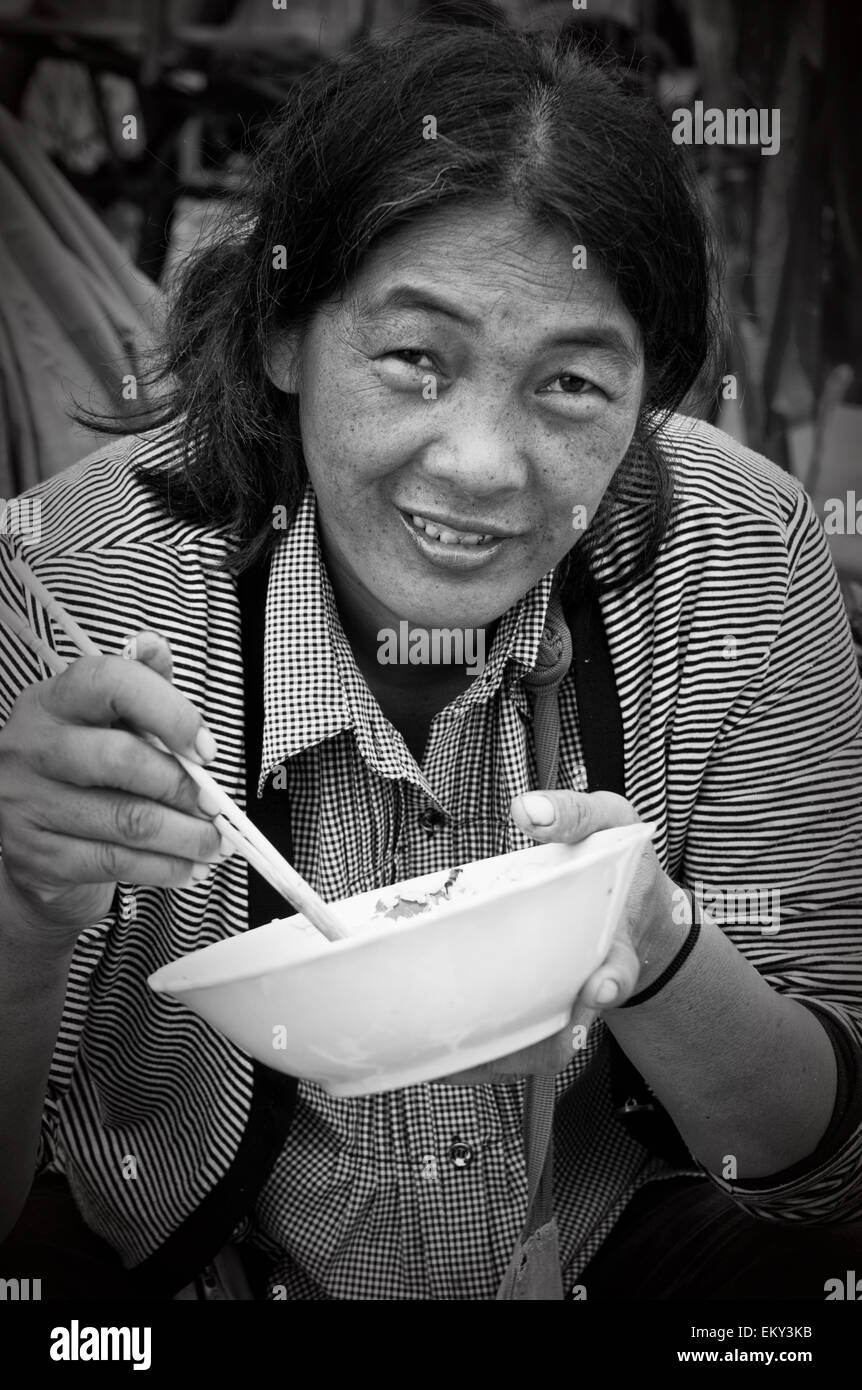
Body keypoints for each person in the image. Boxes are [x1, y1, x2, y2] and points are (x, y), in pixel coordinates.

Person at [1, 22, 861, 1302]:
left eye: (570, 384)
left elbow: (819, 1180)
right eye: (414, 358)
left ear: (650, 402)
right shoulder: (70, 579)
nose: (478, 465)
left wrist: (654, 941)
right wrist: (20, 914)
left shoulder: (737, 565)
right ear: (284, 335)